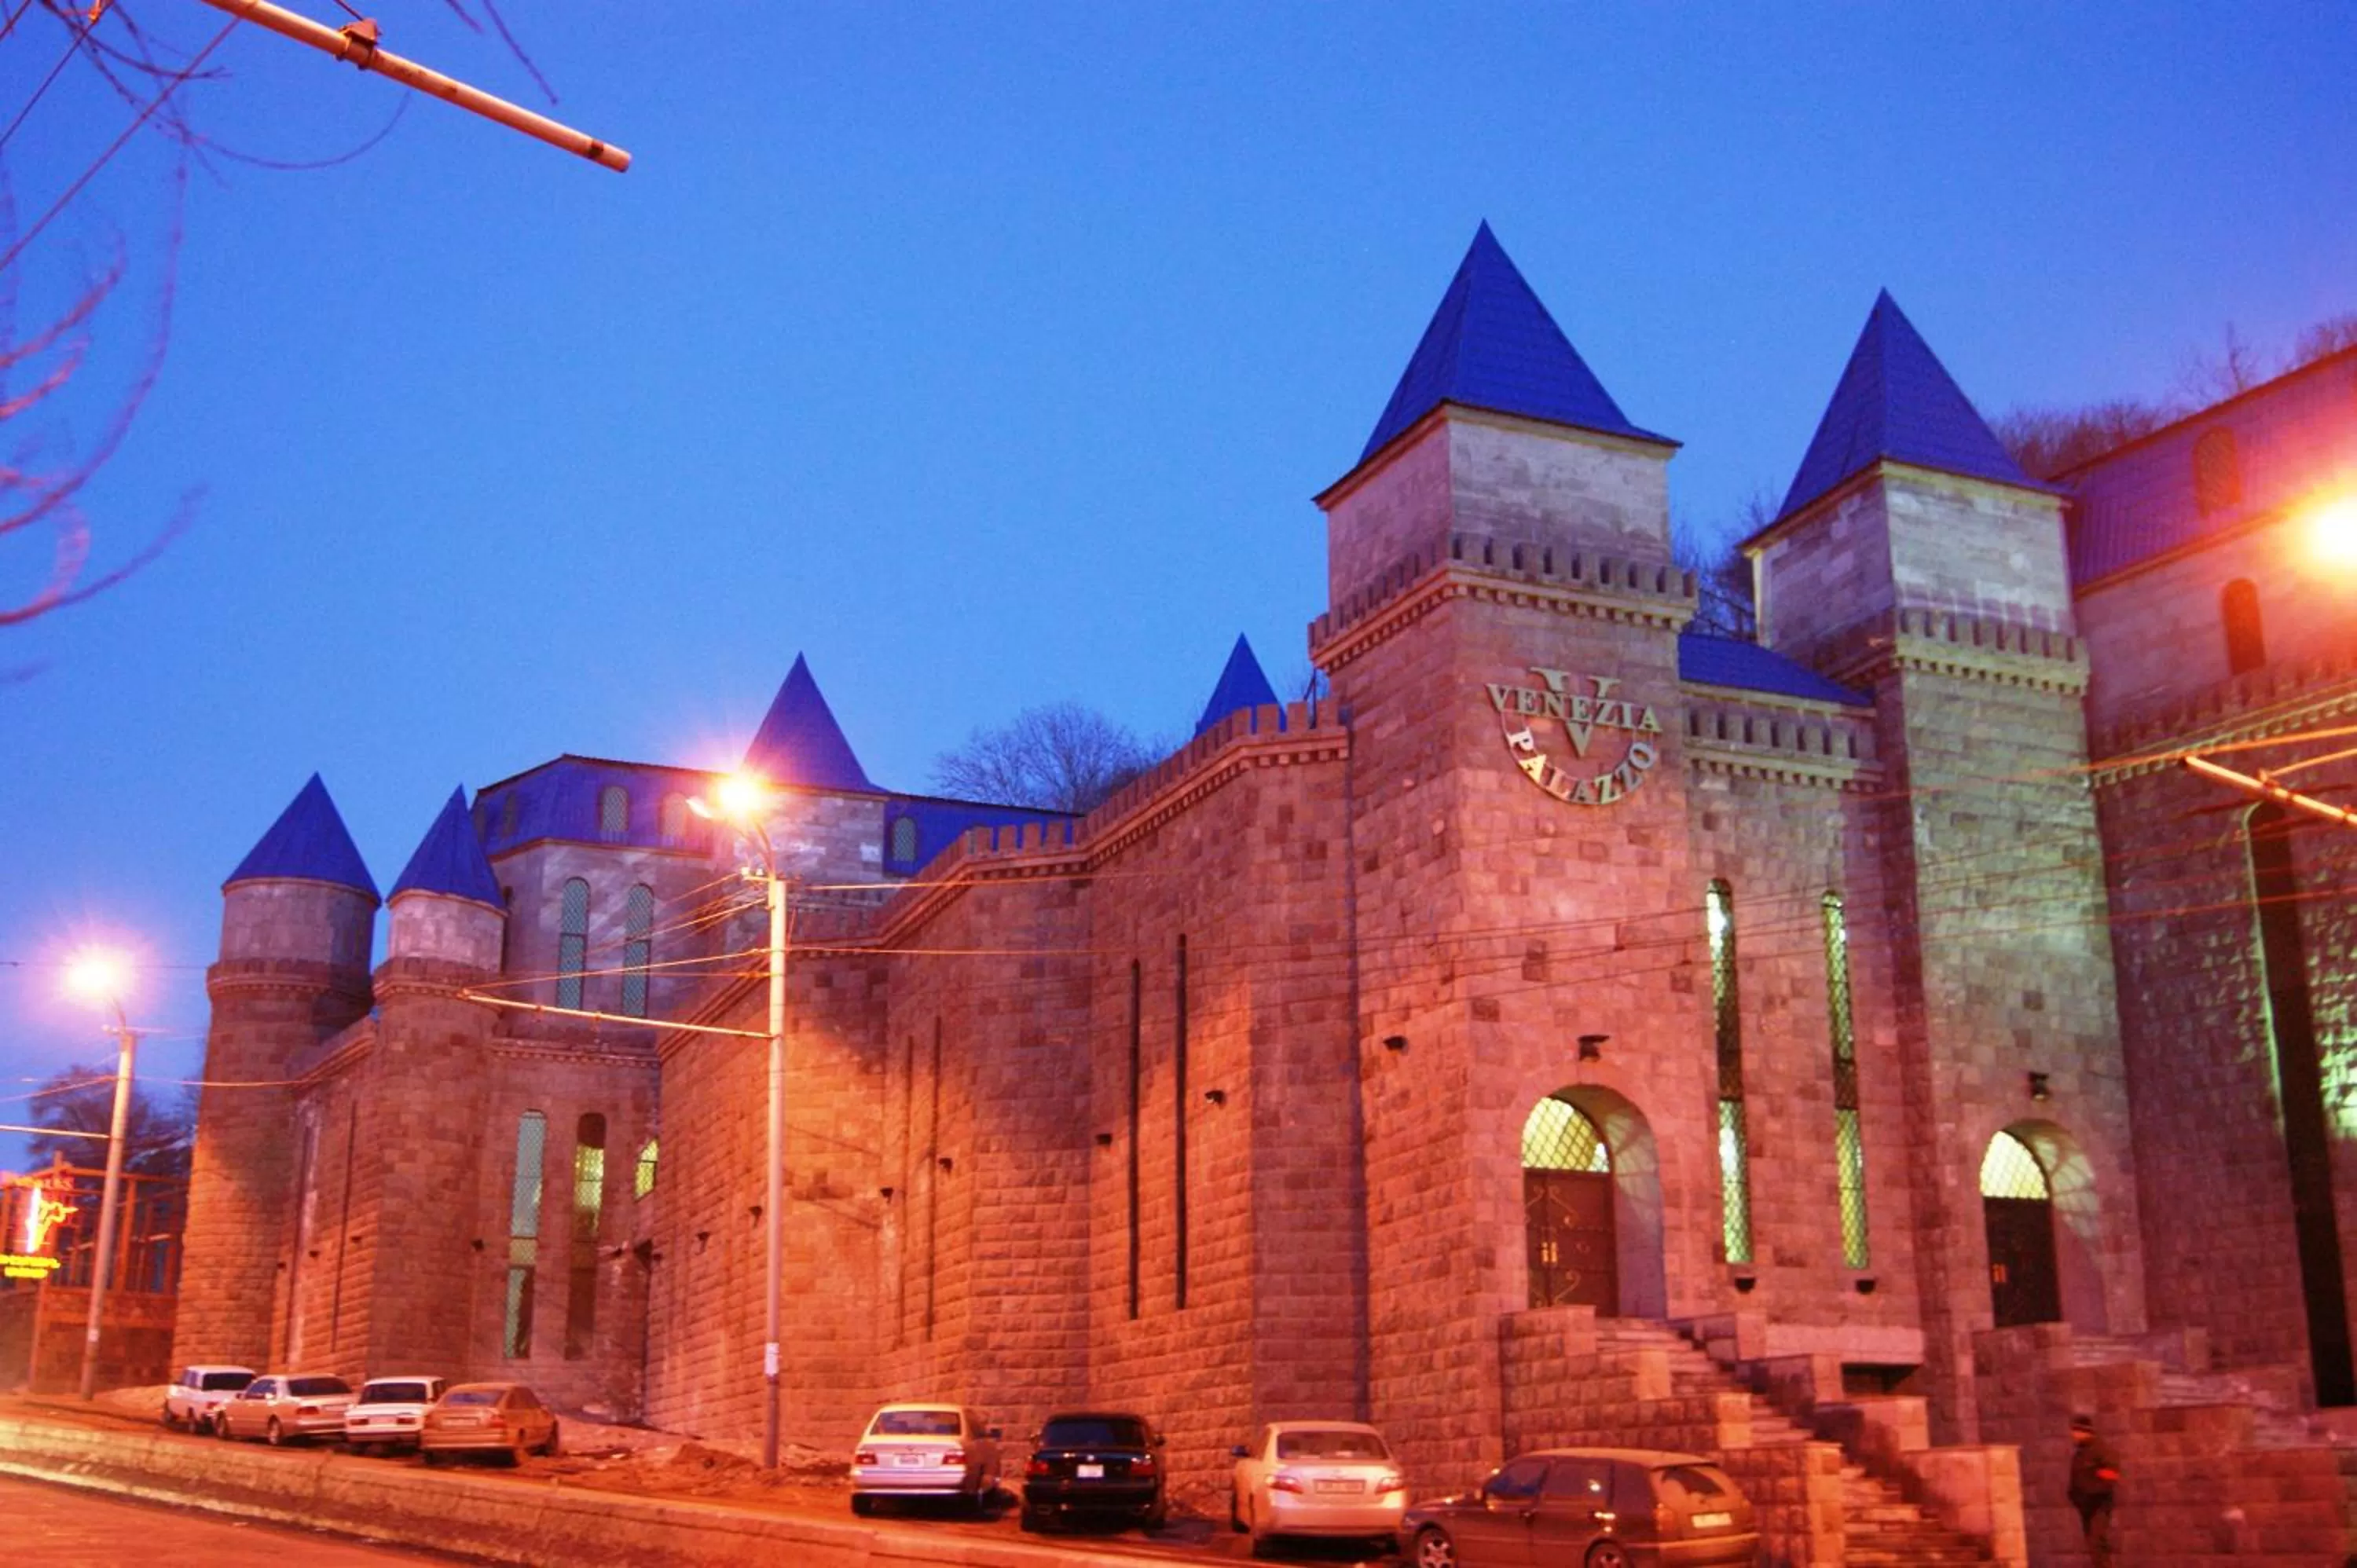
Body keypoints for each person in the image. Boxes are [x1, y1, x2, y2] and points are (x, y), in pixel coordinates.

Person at [2068, 1413, 2119, 1566]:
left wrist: (2092, 1493)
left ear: (2084, 1431)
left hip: (2099, 1505)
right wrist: (2074, 1496)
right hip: (2086, 1507)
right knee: (2093, 1544)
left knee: (2097, 1542)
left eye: (2075, 1431)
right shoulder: (2081, 1453)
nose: (2073, 1435)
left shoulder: (2101, 1450)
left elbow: (2110, 1475)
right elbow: (2077, 1478)